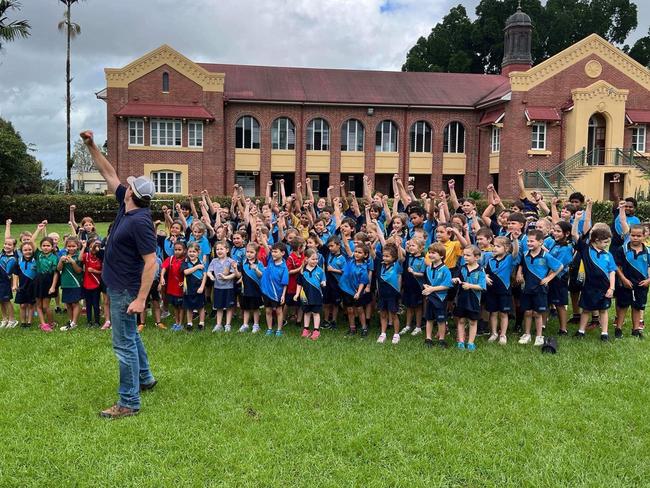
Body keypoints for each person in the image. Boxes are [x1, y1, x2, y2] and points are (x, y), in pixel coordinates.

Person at [81, 129, 157, 419]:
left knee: (123, 344)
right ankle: (145, 378)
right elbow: (109, 173)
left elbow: (151, 263)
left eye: (131, 185)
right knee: (131, 338)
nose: (125, 185)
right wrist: (92, 147)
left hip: (126, 289)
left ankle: (128, 402)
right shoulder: (127, 203)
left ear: (134, 195)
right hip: (118, 286)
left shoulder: (140, 222)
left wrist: (140, 300)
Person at [516, 229, 563, 346]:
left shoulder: (546, 256)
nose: (529, 243)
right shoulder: (525, 254)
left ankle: (539, 336)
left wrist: (549, 278)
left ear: (540, 242)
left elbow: (559, 266)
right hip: (526, 288)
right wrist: (519, 273)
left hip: (540, 289)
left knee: (537, 313)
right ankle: (526, 334)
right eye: (527, 241)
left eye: (532, 241)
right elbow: (521, 264)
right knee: (527, 312)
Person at [294, 248, 326, 340]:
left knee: (316, 313)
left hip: (316, 295)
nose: (315, 261)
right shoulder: (302, 271)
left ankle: (316, 330)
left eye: (316, 259)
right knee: (306, 312)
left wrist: (323, 283)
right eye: (313, 259)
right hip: (305, 296)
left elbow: (323, 279)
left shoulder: (320, 270)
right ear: (306, 259)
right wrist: (297, 294)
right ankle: (306, 329)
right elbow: (299, 284)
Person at [207, 241, 238, 332]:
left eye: (221, 249)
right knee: (219, 306)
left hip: (228, 287)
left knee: (229, 307)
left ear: (227, 250)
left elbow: (234, 274)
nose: (219, 251)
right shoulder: (214, 260)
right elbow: (209, 271)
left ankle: (228, 324)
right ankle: (219, 324)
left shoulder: (231, 261)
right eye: (217, 249)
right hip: (217, 287)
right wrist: (211, 276)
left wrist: (226, 277)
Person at [57, 236, 84, 331]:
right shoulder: (63, 255)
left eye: (74, 246)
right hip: (65, 283)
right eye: (69, 246)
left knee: (75, 303)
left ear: (77, 246)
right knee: (68, 303)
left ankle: (74, 322)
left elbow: (79, 271)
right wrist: (61, 261)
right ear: (66, 246)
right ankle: (70, 320)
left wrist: (73, 262)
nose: (71, 248)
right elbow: (59, 269)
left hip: (75, 283)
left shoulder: (79, 256)